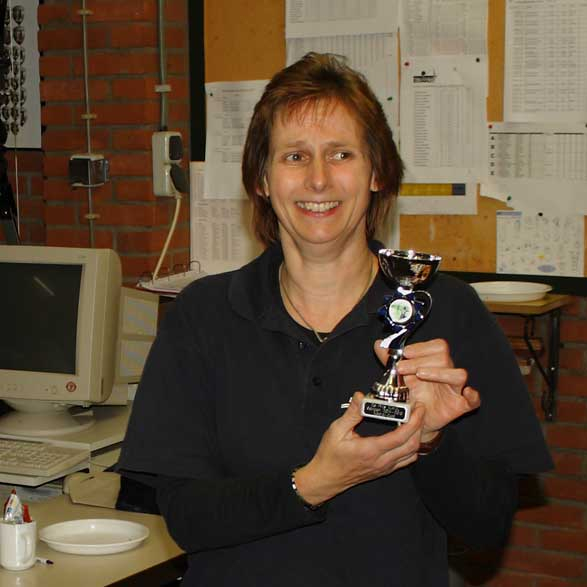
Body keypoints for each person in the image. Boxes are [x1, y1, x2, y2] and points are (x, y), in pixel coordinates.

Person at [117, 53, 552, 586]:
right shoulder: (202, 316)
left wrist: (431, 443)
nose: (318, 180)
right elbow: (186, 519)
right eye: (294, 156)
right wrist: (314, 482)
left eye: (341, 154)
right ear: (261, 179)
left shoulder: (448, 312)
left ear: (377, 173)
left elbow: (486, 527)